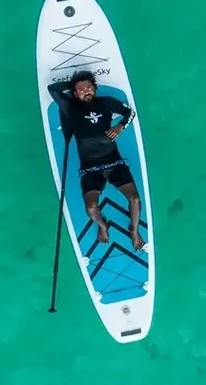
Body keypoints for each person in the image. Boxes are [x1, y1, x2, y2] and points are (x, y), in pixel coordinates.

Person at [47, 70, 144, 251]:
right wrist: (73, 85)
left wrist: (120, 126)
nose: (86, 91)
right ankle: (103, 225)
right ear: (75, 93)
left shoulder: (105, 102)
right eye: (81, 89)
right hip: (90, 168)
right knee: (91, 208)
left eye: (89, 87)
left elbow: (129, 113)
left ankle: (134, 230)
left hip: (114, 161)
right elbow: (53, 89)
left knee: (135, 199)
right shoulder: (70, 106)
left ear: (95, 88)